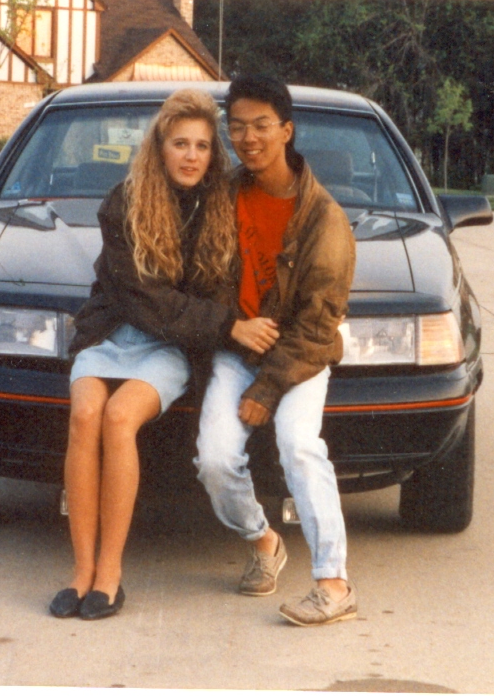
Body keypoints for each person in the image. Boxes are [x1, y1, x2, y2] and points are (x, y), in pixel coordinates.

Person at [49, 89, 280, 621]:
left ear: (213, 153)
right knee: (85, 414)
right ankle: (80, 572)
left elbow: (221, 290)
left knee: (118, 417)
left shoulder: (222, 207)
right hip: (111, 332)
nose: (191, 155)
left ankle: (110, 575)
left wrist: (226, 323)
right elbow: (140, 296)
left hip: (174, 344)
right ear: (160, 147)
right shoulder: (123, 202)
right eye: (180, 143)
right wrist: (227, 326)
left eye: (202, 145)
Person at [192, 74, 358, 626]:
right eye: (237, 126)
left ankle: (333, 583)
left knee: (299, 445)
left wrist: (267, 389)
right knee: (216, 459)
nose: (248, 137)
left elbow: (318, 325)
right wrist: (232, 327)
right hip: (238, 350)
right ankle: (264, 541)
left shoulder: (324, 219)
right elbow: (204, 277)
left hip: (300, 358)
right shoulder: (223, 196)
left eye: (261, 125)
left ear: (286, 130)